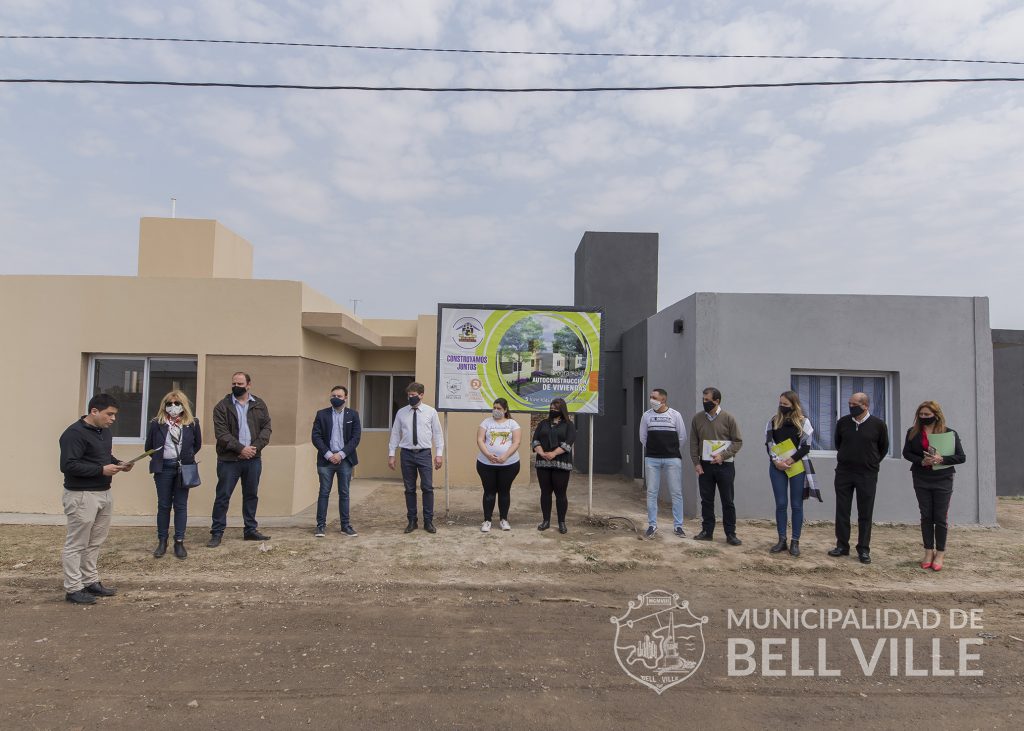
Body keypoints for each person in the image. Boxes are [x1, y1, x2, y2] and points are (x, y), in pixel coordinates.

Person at [58, 393, 134, 604]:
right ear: (94, 411)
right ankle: (73, 589)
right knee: (77, 543)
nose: (113, 419)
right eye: (109, 414)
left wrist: (119, 463)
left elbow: (104, 456)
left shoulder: (104, 433)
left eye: (114, 415)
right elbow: (68, 465)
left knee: (95, 541)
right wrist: (101, 470)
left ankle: (90, 582)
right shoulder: (74, 434)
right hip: (82, 495)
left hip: (104, 493)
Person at [208, 372, 272, 547]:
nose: (236, 386)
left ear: (249, 385)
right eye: (234, 383)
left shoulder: (259, 404)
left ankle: (250, 530)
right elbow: (222, 434)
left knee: (251, 495)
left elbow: (266, 428)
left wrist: (254, 448)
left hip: (253, 459)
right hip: (229, 460)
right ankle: (217, 532)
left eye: (240, 383)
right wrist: (240, 449)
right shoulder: (222, 406)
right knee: (223, 496)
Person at [902, 400, 967, 572]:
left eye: (927, 415)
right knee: (926, 516)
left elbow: (961, 457)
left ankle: (940, 553)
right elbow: (906, 453)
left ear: (936, 416)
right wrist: (921, 461)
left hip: (943, 478)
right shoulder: (912, 432)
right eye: (921, 415)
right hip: (921, 477)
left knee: (940, 517)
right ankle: (928, 551)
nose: (923, 417)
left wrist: (941, 459)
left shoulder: (949, 433)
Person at [828, 391, 889, 564]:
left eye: (854, 405)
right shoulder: (843, 423)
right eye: (850, 404)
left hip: (867, 474)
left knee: (865, 513)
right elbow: (838, 443)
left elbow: (883, 448)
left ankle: (863, 549)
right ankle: (842, 546)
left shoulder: (878, 424)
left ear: (865, 406)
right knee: (842, 510)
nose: (851, 407)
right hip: (844, 472)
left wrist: (872, 463)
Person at [144, 391, 202, 559]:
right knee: (163, 505)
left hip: (183, 468)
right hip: (164, 469)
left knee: (181, 505)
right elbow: (149, 447)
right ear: (164, 406)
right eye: (169, 403)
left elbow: (196, 444)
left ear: (183, 405)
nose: (173, 407)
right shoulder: (157, 423)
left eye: (177, 403)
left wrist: (185, 457)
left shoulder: (192, 423)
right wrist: (162, 459)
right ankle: (162, 541)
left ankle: (179, 541)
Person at [689, 387, 744, 545]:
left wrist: (723, 455)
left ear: (717, 401)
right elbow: (694, 442)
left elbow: (738, 442)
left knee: (728, 500)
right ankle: (707, 531)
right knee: (706, 500)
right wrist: (696, 463)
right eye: (703, 399)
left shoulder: (729, 418)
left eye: (708, 400)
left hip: (725, 465)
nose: (704, 402)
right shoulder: (697, 419)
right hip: (705, 466)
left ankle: (730, 534)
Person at [388, 382, 444, 534]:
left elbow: (437, 434)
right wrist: (391, 454)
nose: (410, 398)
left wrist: (439, 455)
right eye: (409, 395)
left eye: (413, 395)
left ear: (421, 395)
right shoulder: (401, 413)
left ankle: (428, 521)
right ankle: (412, 520)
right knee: (409, 489)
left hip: (424, 453)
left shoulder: (431, 412)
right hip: (406, 453)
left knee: (427, 487)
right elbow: (395, 433)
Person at [764, 390, 814, 557]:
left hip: (796, 466)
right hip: (777, 467)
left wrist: (791, 460)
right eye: (780, 403)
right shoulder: (773, 421)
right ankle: (782, 539)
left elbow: (806, 446)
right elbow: (769, 443)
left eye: (786, 404)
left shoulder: (804, 422)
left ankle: (795, 541)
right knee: (781, 504)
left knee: (796, 505)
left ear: (794, 405)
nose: (782, 407)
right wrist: (776, 461)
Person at [311, 385, 362, 537]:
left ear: (345, 398)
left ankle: (345, 526)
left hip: (344, 460)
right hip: (326, 460)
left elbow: (356, 438)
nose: (336, 398)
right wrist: (328, 454)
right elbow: (316, 436)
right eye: (333, 395)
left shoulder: (353, 415)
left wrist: (341, 454)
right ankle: (320, 526)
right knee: (324, 493)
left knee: (344, 493)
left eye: (339, 396)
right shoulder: (321, 414)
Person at [640, 388, 687, 539]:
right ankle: (652, 525)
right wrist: (655, 449)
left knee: (676, 492)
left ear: (663, 400)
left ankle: (678, 526)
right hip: (652, 458)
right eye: (650, 397)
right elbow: (643, 437)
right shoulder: (646, 416)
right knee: (652, 492)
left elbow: (682, 436)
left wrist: (670, 449)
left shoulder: (675, 415)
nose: (651, 399)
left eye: (654, 397)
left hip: (672, 458)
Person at [476, 398, 521, 532]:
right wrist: (488, 455)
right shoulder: (486, 422)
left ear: (505, 410)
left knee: (504, 491)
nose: (496, 410)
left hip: (509, 465)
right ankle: (487, 520)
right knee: (489, 492)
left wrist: (505, 456)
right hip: (486, 464)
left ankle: (504, 519)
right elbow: (480, 439)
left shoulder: (513, 424)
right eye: (494, 408)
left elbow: (516, 442)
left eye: (499, 408)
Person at [532, 398, 576, 534]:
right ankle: (546, 521)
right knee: (545, 493)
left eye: (555, 409)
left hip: (561, 464)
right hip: (543, 463)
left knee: (560, 494)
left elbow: (569, 442)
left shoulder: (569, 425)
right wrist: (542, 452)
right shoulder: (542, 423)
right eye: (551, 408)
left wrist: (553, 453)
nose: (552, 410)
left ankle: (561, 522)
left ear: (562, 410)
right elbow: (535, 440)